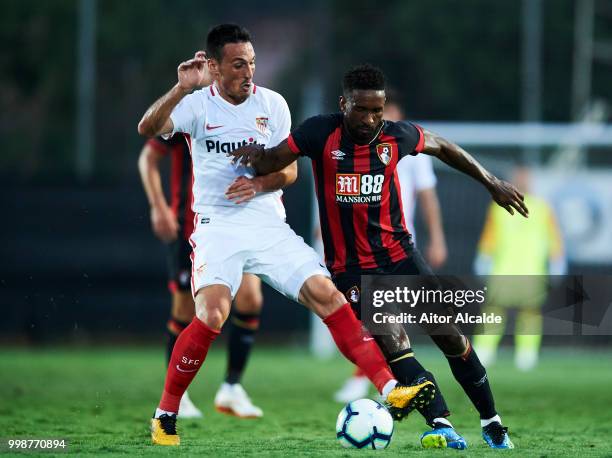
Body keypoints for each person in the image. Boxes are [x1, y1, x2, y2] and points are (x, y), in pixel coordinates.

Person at [139, 24, 435, 447]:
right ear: (215, 67)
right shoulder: (195, 105)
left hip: (266, 223)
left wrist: (259, 185)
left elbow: (291, 170)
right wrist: (179, 87)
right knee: (212, 314)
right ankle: (165, 414)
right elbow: (147, 129)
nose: (248, 72)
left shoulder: (272, 104)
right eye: (238, 64)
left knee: (327, 294)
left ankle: (390, 389)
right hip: (218, 226)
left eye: (252, 63)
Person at [231, 64, 529, 449]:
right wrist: (256, 157)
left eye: (378, 110)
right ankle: (441, 423)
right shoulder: (319, 132)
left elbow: (444, 147)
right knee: (394, 345)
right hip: (352, 270)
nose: (371, 119)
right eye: (362, 110)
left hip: (402, 256)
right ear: (344, 104)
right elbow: (274, 160)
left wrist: (491, 182)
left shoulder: (396, 137)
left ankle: (492, 421)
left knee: (451, 339)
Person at [138, 134, 266, 418]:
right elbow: (148, 158)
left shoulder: (249, 111)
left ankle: (232, 388)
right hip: (191, 228)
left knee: (250, 299)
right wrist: (158, 207)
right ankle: (177, 397)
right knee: (186, 310)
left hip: (239, 226)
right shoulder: (192, 111)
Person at [334, 92, 448, 403]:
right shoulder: (355, 147)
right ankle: (383, 380)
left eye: (383, 113)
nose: (376, 121)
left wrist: (436, 238)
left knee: (381, 316)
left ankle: (375, 381)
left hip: (396, 248)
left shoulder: (408, 148)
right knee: (370, 316)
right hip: (359, 249)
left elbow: (427, 197)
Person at [473, 165, 566, 371]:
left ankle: (527, 355)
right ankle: (484, 352)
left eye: (526, 178)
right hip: (502, 269)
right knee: (493, 311)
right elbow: (490, 237)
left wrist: (557, 263)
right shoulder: (498, 207)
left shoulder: (542, 208)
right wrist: (483, 259)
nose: (522, 182)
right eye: (519, 178)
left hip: (532, 270)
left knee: (530, 313)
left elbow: (554, 239)